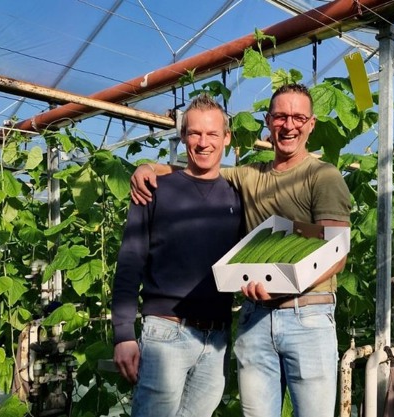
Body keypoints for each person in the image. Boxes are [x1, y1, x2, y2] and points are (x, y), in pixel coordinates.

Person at [130, 83, 352, 417]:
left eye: (298, 118)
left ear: (311, 124)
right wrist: (150, 168)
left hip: (306, 316)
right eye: (280, 116)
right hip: (256, 318)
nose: (289, 125)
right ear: (268, 121)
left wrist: (282, 287)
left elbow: (337, 254)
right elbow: (200, 168)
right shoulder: (249, 174)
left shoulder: (323, 176)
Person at [112, 94, 243, 417]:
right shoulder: (155, 188)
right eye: (195, 133)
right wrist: (123, 334)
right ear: (183, 136)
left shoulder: (236, 195)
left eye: (212, 134)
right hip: (166, 332)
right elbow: (130, 259)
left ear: (226, 138)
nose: (203, 142)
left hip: (216, 337)